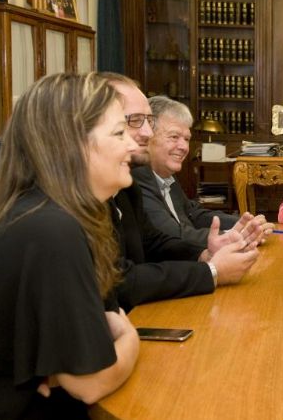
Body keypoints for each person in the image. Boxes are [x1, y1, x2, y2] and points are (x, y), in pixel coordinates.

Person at [0, 73, 139, 417]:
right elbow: (91, 382)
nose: (133, 145)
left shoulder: (49, 214)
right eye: (119, 133)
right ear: (70, 145)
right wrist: (131, 341)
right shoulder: (52, 230)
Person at [100, 72, 260, 311]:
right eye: (133, 121)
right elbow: (119, 280)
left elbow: (155, 242)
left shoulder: (126, 188)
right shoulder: (66, 209)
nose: (146, 132)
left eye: (148, 121)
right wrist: (210, 271)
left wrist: (205, 254)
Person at [132, 96, 273, 248]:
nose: (184, 147)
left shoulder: (166, 175)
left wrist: (245, 223)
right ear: (148, 136)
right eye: (174, 137)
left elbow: (194, 214)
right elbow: (174, 234)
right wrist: (238, 235)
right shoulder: (138, 178)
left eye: (186, 139)